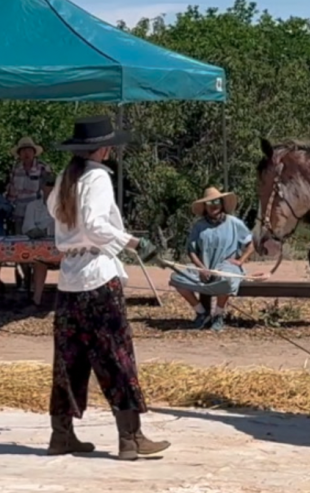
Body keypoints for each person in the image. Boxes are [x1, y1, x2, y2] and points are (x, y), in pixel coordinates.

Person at [46, 115, 166, 461]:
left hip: (70, 278)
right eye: (109, 143)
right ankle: (130, 438)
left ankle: (62, 434)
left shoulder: (67, 176)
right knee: (116, 355)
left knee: (69, 360)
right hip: (97, 275)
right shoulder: (97, 176)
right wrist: (132, 243)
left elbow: (53, 209)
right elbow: (98, 225)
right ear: (100, 149)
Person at [169, 187, 256, 331]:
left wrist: (240, 261)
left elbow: (251, 244)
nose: (213, 205)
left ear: (222, 203)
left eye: (216, 201)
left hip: (226, 266)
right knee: (177, 277)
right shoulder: (199, 225)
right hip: (204, 267)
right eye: (209, 203)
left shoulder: (234, 222)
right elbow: (191, 250)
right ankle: (201, 313)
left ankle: (218, 315)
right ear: (205, 207)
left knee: (227, 279)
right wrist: (201, 267)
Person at [6, 137, 54, 290]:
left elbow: (49, 189)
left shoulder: (43, 168)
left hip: (37, 214)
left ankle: (36, 280)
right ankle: (27, 278)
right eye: (23, 151)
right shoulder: (15, 169)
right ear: (19, 154)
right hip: (20, 212)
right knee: (21, 247)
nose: (26, 153)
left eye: (29, 150)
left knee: (38, 246)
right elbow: (11, 191)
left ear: (34, 152)